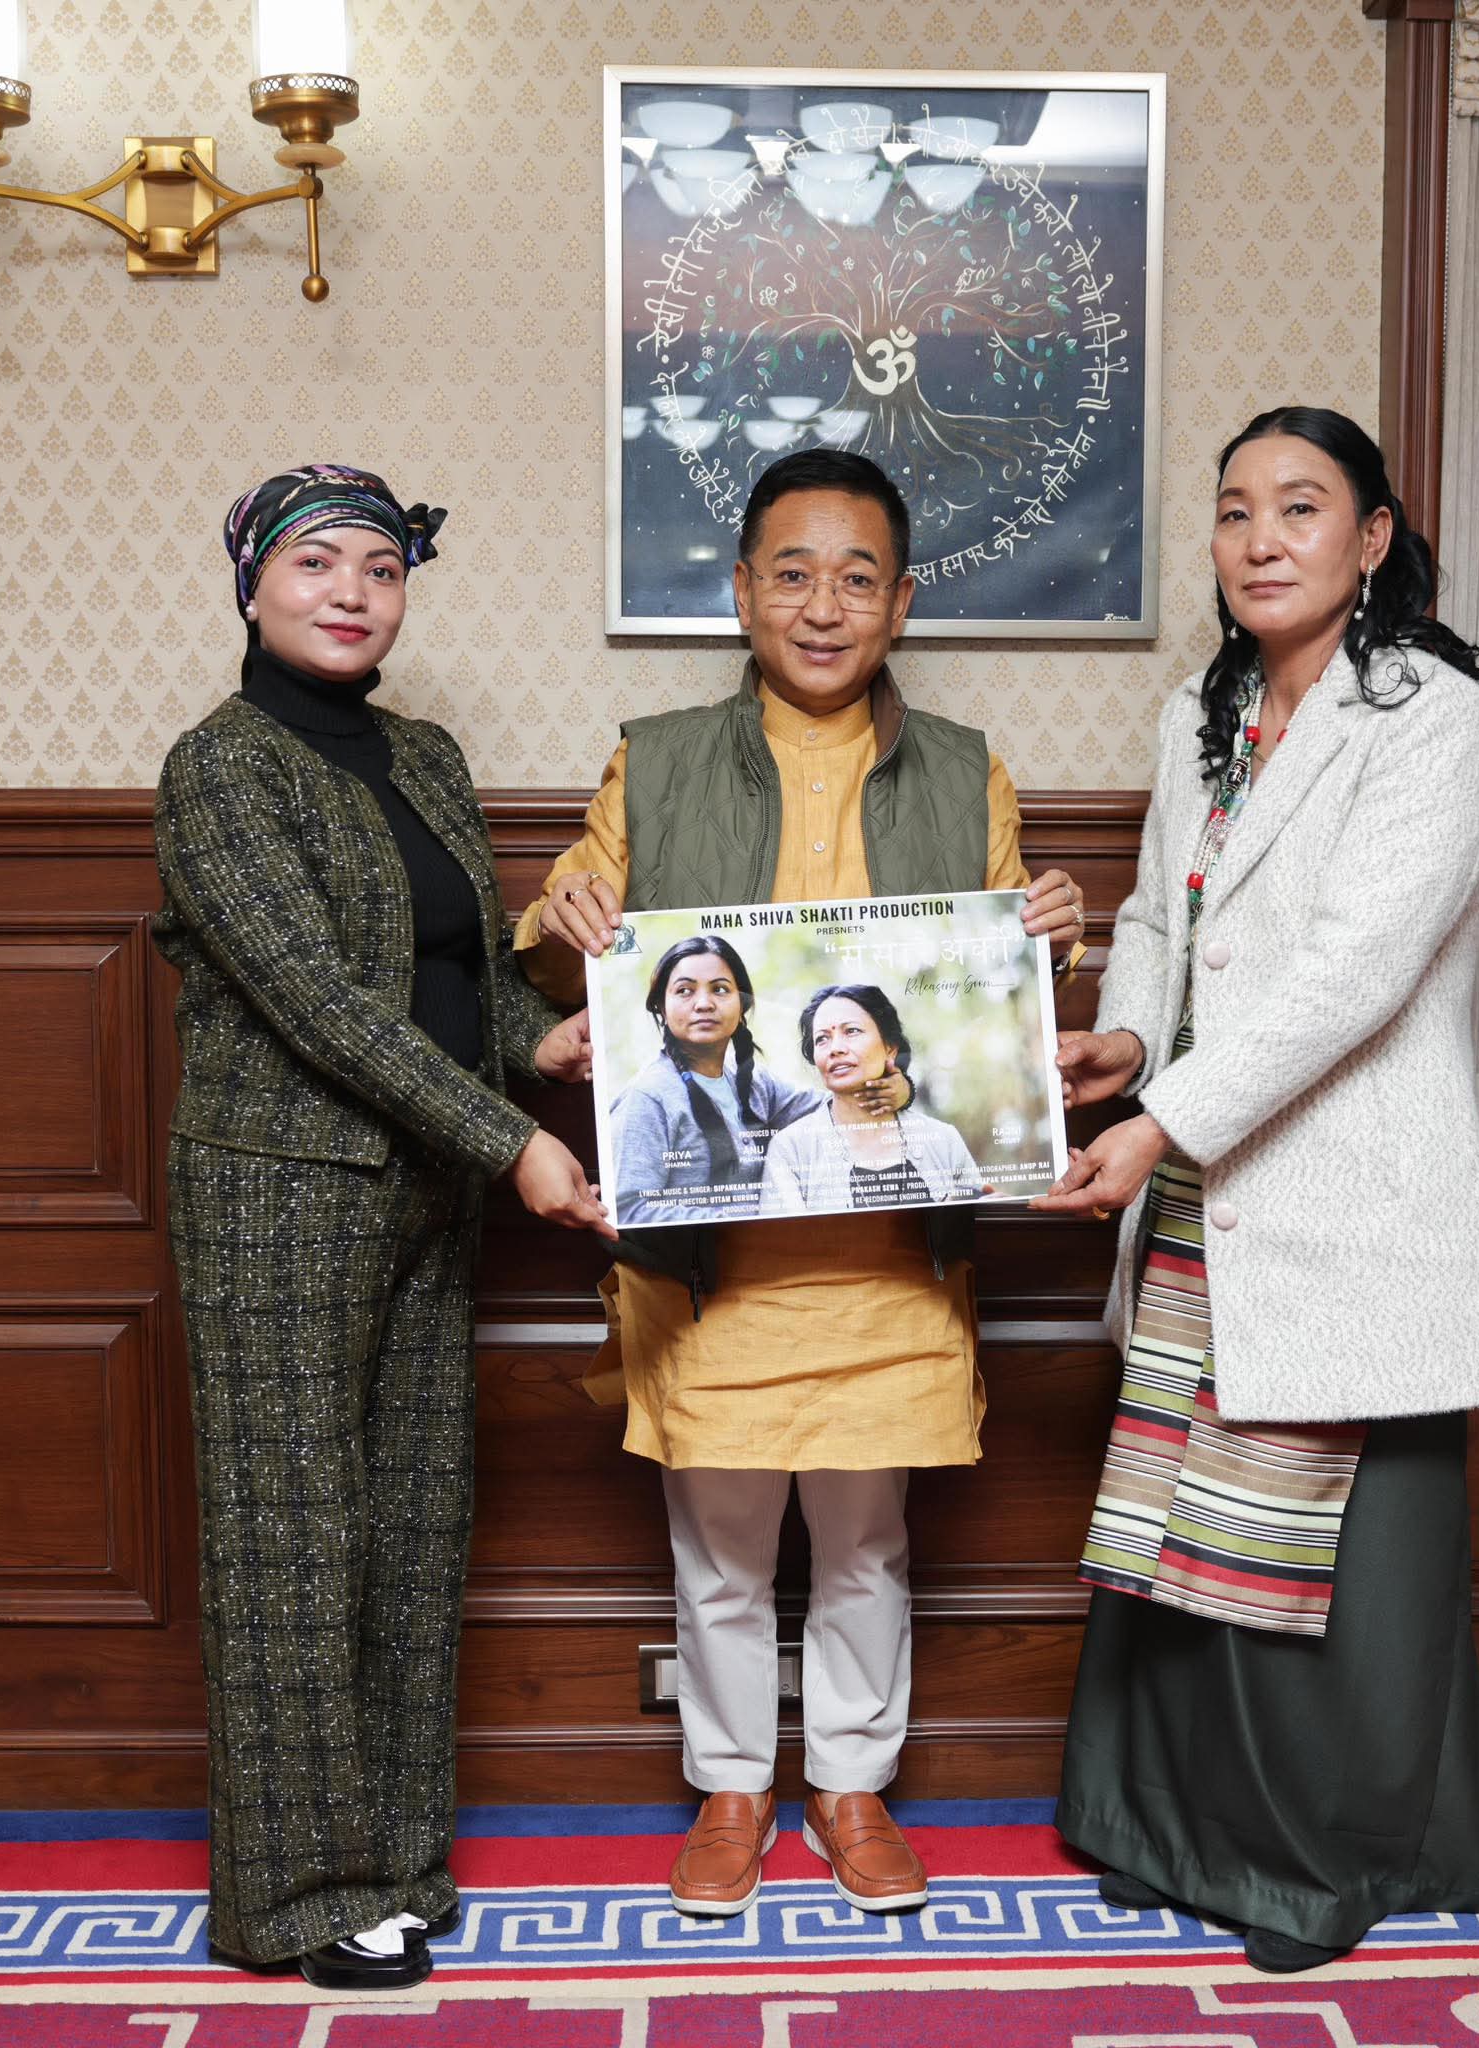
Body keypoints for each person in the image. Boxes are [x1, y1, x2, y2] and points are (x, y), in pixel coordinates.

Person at [515, 449, 1084, 1918]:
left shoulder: (965, 768)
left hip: (888, 1240)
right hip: (714, 1255)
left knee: (866, 1539)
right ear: (741, 592)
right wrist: (567, 916)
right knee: (716, 1546)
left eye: (855, 578)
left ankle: (849, 1784)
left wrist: (1048, 930)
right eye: (792, 574)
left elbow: (999, 975)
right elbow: (559, 954)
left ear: (901, 602)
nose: (822, 607)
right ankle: (730, 1788)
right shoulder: (654, 760)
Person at [1033, 406, 1479, 1974]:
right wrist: (1126, 1041)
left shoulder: (1431, 716)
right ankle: (1170, 1835)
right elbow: (1161, 922)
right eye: (1236, 509)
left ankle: (1323, 1867)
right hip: (1200, 1183)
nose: (1260, 539)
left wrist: (1161, 1120)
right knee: (1187, 1536)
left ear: (1371, 538)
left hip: (1342, 1196)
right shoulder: (1207, 706)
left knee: (1318, 1560)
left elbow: (1352, 975)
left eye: (1301, 508)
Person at [153, 464, 613, 1991]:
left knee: (415, 1527)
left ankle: (398, 1862)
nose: (351, 591)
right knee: (293, 1540)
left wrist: (543, 1047)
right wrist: (516, 1145)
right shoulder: (219, 768)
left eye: (380, 566)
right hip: (280, 1195)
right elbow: (324, 1008)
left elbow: (462, 968)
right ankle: (299, 1896)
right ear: (252, 585)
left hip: (426, 1189)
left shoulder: (425, 755)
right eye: (315, 562)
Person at [611, 935, 908, 1223]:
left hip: (767, 1247)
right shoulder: (648, 1097)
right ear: (661, 1007)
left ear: (742, 1005)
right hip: (699, 1255)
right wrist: (743, 1224)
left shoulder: (755, 1086)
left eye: (720, 989)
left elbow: (834, 1108)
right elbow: (628, 1211)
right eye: (685, 991)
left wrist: (901, 1090)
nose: (703, 1003)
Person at [760, 984, 985, 1215]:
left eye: (852, 1031)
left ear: (890, 1048)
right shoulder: (790, 1150)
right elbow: (782, 1237)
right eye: (822, 1039)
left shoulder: (943, 1139)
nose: (835, 1048)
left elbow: (981, 1226)